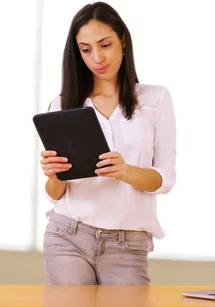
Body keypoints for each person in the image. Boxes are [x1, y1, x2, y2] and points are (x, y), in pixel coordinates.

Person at [39, 1, 176, 285]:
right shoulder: (62, 105)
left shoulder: (155, 100)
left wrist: (125, 171)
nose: (97, 58)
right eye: (86, 49)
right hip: (68, 238)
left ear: (122, 40)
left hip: (127, 244)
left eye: (105, 45)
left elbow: (165, 179)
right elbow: (56, 194)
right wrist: (54, 174)